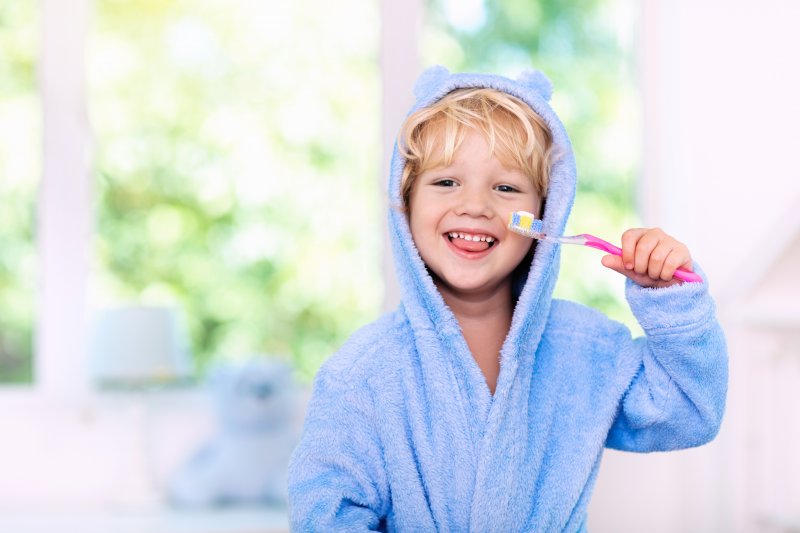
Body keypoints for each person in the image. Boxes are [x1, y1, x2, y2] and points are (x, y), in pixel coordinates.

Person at [287, 66, 728, 532]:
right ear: (406, 201)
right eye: (446, 182)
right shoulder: (363, 376)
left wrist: (671, 301)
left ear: (545, 213)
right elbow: (325, 515)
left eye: (506, 188)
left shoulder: (586, 351)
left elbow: (688, 411)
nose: (476, 206)